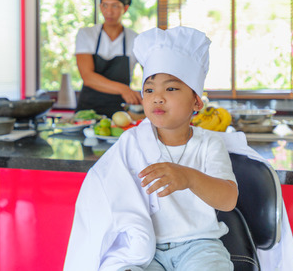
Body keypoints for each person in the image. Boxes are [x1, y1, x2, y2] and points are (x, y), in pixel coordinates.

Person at [64, 26, 238, 271]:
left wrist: (188, 177)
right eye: (149, 90)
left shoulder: (209, 143)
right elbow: (102, 189)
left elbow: (228, 200)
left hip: (200, 247)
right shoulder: (133, 142)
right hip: (145, 249)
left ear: (196, 101)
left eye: (171, 88)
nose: (157, 97)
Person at [75, 0, 142, 117]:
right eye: (104, 5)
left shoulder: (136, 39)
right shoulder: (86, 34)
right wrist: (124, 89)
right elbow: (87, 77)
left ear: (126, 8)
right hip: (88, 112)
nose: (109, 12)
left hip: (121, 113)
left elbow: (151, 75)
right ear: (100, 7)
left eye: (115, 6)